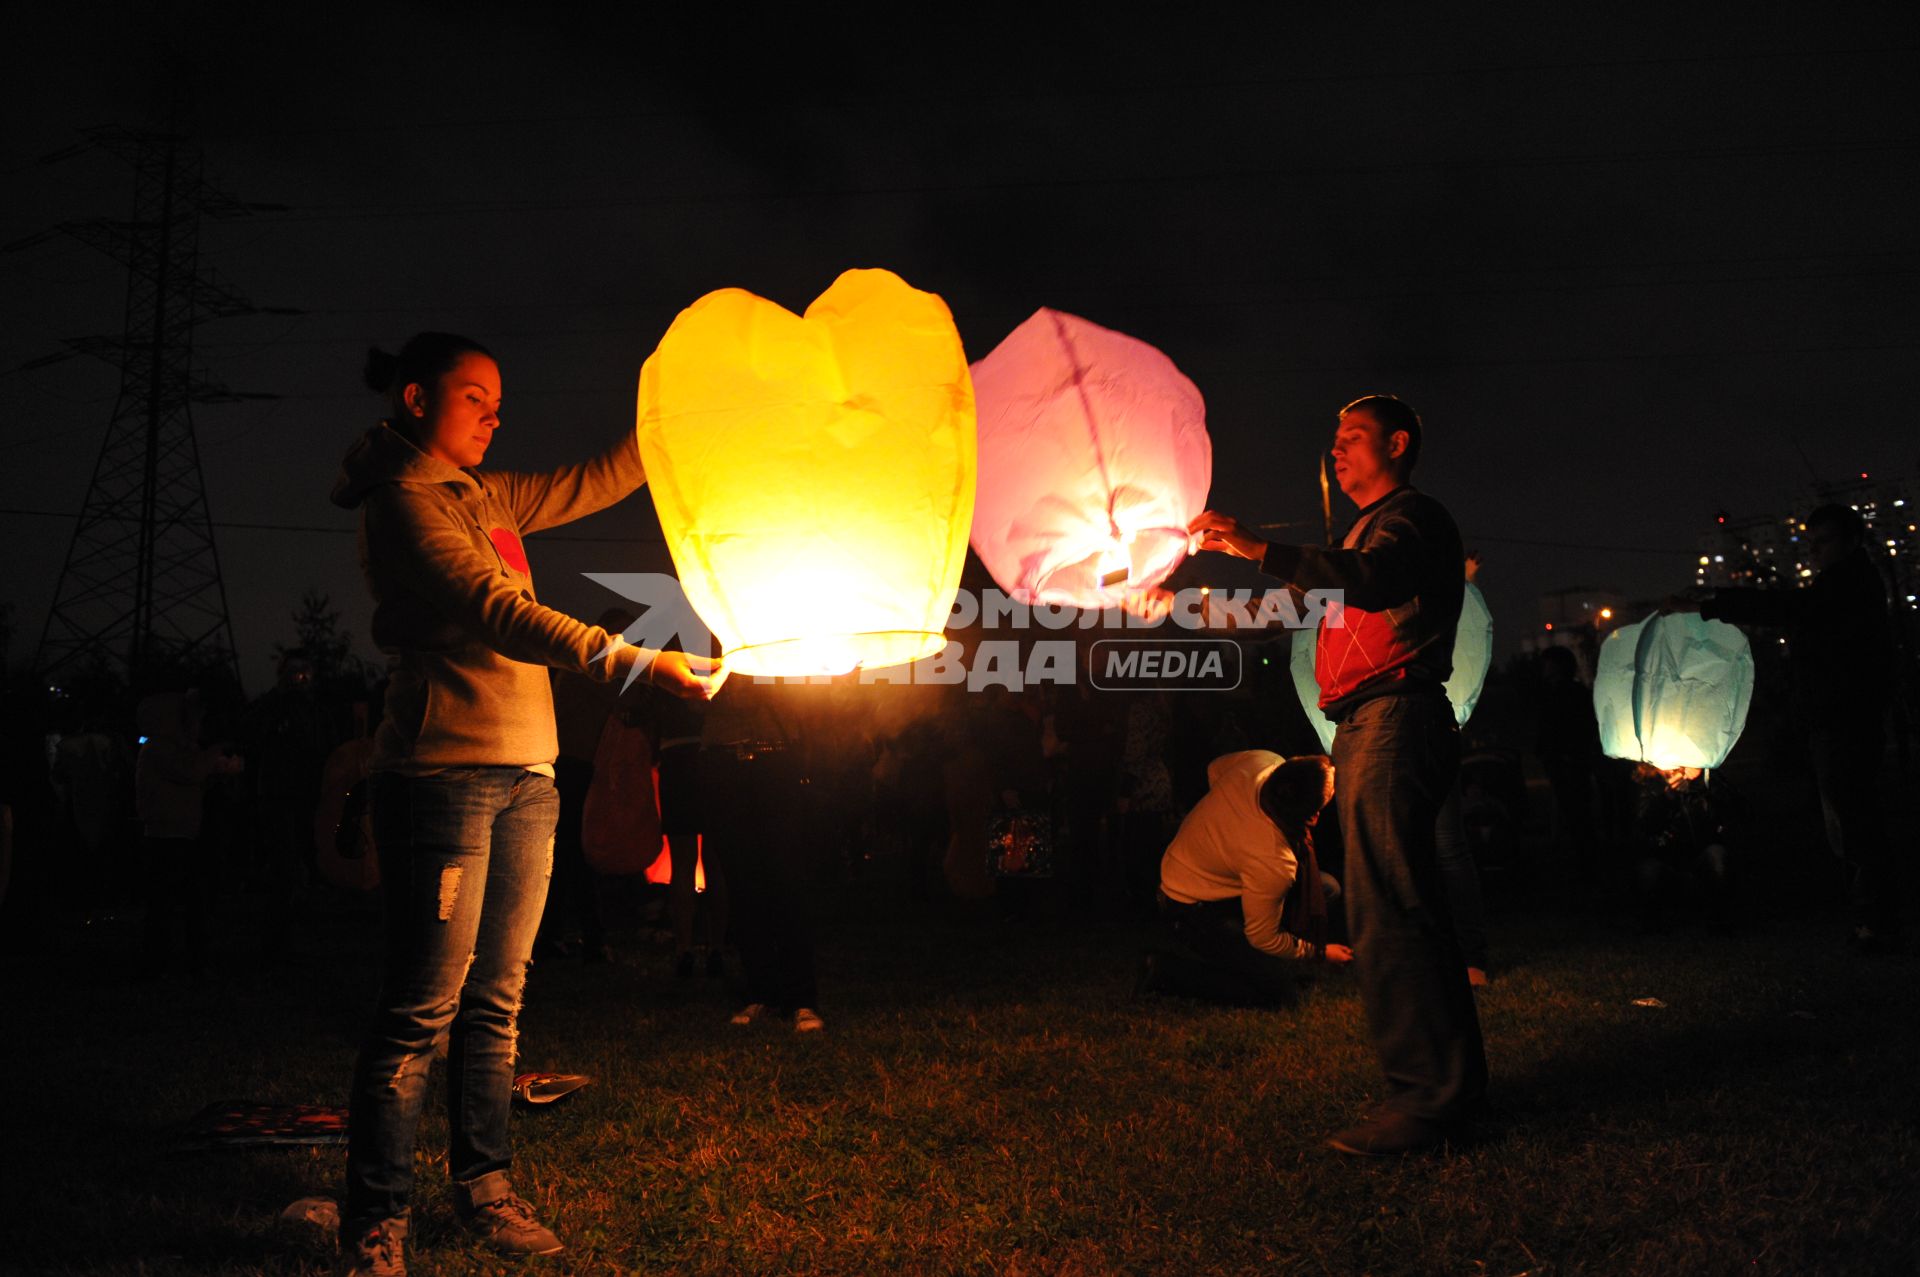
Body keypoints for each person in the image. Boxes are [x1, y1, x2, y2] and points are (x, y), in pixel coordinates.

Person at [329, 332, 721, 1276]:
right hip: (442, 776)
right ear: (417, 399)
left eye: (500, 398)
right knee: (424, 1005)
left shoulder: (486, 494)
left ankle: (485, 1188)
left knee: (498, 1001)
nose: (496, 414)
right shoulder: (402, 506)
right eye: (476, 397)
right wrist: (637, 659)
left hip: (529, 774)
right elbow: (498, 611)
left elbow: (593, 478)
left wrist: (675, 424)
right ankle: (377, 1215)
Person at [1187, 394, 1487, 1156]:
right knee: (1392, 901)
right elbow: (1298, 607)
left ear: (1399, 442)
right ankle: (1437, 1091)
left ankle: (1429, 1104)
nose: (1338, 449)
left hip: (1396, 716)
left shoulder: (1411, 520)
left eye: (1354, 437)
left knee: (1391, 906)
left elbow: (1373, 579)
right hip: (1365, 724)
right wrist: (1182, 602)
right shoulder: (1358, 536)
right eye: (1334, 438)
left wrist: (1258, 548)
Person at [1685, 504, 1899, 951]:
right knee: (1848, 819)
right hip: (1836, 719)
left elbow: (1790, 607)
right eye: (1811, 544)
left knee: (1853, 820)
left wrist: (1714, 604)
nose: (1816, 552)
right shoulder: (1845, 583)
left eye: (1823, 542)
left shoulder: (1848, 583)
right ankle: (1869, 914)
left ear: (1851, 540)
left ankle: (1872, 919)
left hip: (1844, 721)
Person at [1147, 751, 1351, 1006]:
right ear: (1312, 815)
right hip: (1186, 907)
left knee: (1326, 888)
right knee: (1280, 997)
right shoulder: (1273, 860)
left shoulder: (1262, 762)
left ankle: (1254, 961)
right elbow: (1263, 938)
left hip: (1218, 884)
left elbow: (1215, 768)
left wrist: (1227, 827)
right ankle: (1165, 970)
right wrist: (1320, 953)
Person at [135, 689, 244, 977]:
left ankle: (176, 956)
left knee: (178, 900)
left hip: (180, 833)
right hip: (166, 835)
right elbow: (191, 771)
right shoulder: (159, 748)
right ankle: (160, 959)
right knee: (166, 901)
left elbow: (195, 774)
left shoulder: (172, 748)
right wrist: (215, 753)